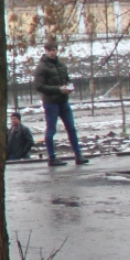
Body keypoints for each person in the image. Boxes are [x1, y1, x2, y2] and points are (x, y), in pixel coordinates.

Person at [33, 38, 89, 167]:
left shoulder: (61, 65)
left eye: (54, 50)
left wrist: (69, 87)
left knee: (71, 128)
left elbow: (67, 79)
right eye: (49, 50)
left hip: (63, 101)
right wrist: (58, 90)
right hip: (51, 102)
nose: (52, 53)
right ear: (45, 51)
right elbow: (39, 86)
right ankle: (51, 158)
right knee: (51, 130)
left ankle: (78, 155)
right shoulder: (41, 67)